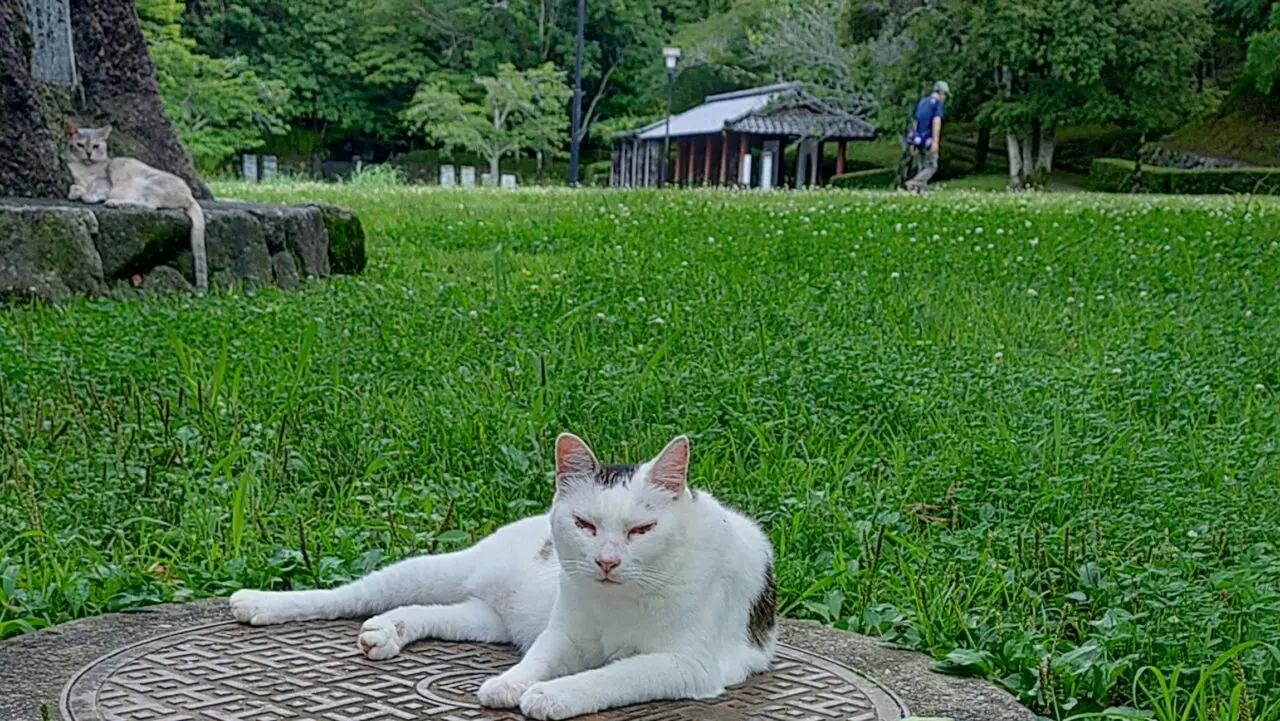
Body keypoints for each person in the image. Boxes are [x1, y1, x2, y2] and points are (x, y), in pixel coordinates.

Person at [903, 81, 949, 194]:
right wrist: (935, 141)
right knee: (932, 166)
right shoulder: (937, 104)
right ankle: (914, 182)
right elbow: (936, 121)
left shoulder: (922, 102)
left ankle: (920, 191)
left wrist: (913, 142)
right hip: (928, 139)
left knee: (923, 164)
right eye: (945, 95)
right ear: (941, 93)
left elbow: (916, 122)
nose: (945, 98)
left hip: (918, 138)